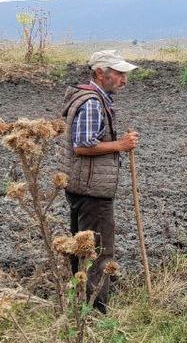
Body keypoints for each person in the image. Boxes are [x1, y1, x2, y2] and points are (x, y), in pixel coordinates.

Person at [57, 50, 140, 312]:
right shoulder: (92, 102)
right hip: (93, 190)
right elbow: (82, 146)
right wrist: (121, 145)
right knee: (98, 251)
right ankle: (95, 311)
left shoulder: (93, 99)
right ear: (100, 73)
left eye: (124, 74)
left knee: (81, 245)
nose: (123, 79)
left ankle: (79, 302)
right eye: (118, 73)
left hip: (83, 185)